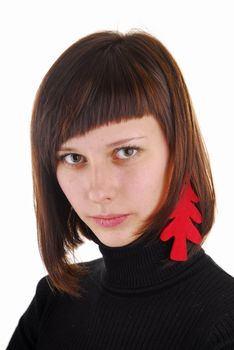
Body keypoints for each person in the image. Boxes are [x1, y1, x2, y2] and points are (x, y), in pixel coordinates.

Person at [7, 29, 234, 349]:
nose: (98, 191)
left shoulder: (224, 325)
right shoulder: (53, 302)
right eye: (74, 158)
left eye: (126, 151)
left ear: (177, 151)